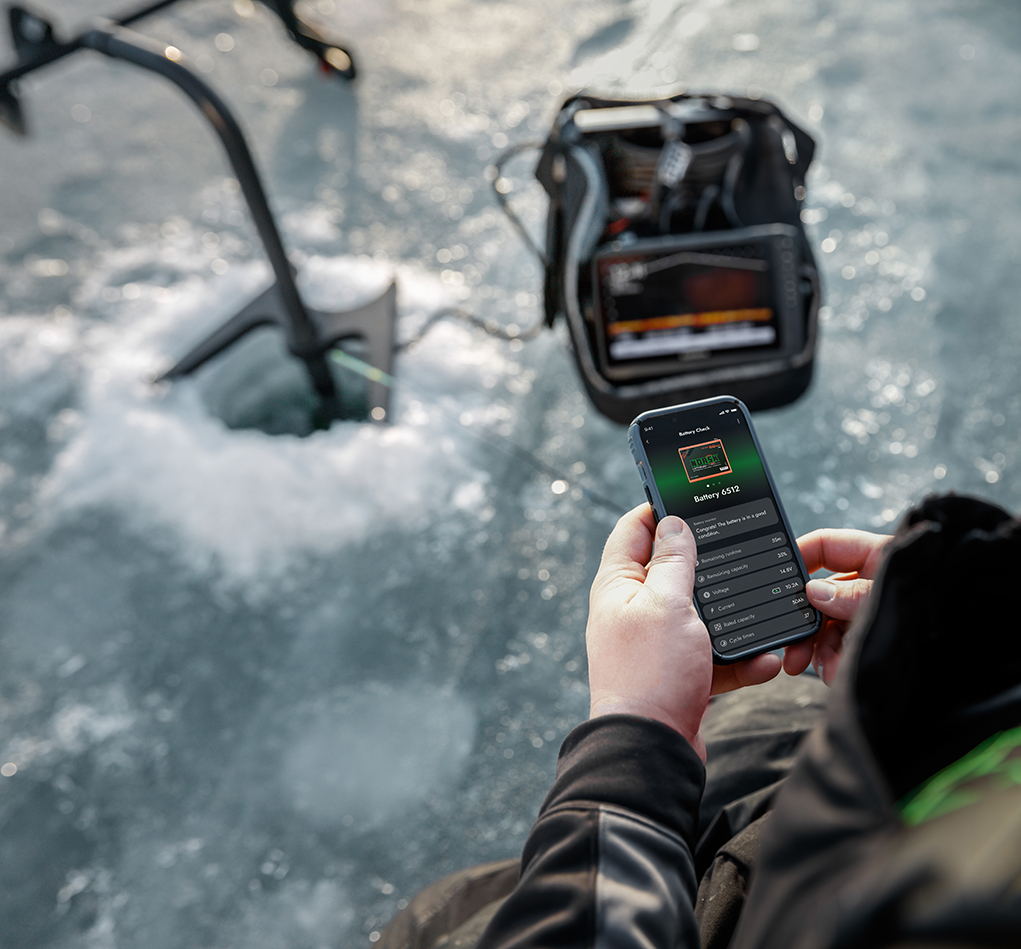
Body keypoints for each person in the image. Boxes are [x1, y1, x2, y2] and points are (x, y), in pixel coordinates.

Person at [382, 494, 1021, 949]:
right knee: (769, 707)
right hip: (836, 802)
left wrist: (637, 728)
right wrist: (949, 650)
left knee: (440, 923)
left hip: (755, 891)